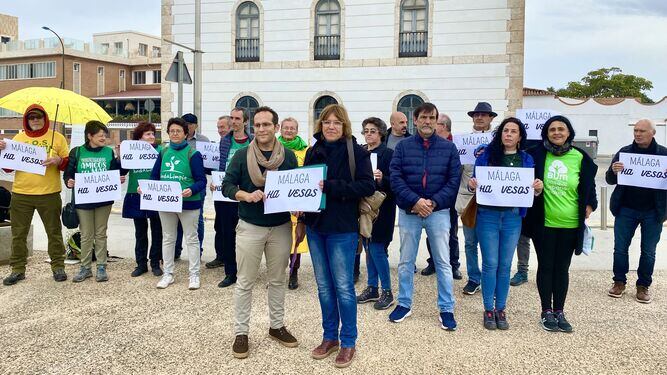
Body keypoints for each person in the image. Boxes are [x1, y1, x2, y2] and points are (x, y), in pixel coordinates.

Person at [295, 104, 374, 368]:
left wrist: (330, 186)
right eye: (326, 122)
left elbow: (366, 185)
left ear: (344, 126)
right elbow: (305, 186)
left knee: (343, 287)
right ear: (320, 125)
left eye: (336, 123)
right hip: (317, 227)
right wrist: (301, 213)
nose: (331, 126)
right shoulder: (312, 151)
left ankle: (349, 341)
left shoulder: (357, 152)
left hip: (342, 228)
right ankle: (329, 337)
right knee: (324, 287)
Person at [222, 106, 299, 359]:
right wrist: (245, 194)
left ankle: (276, 326)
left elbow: (294, 188)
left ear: (276, 128)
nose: (262, 129)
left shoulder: (287, 157)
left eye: (266, 125)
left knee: (277, 280)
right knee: (245, 282)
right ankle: (241, 332)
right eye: (257, 125)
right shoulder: (243, 155)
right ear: (252, 127)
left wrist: (299, 204)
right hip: (250, 226)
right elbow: (227, 186)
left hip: (280, 227)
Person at [388, 102, 461, 331]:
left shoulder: (449, 148)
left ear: (437, 121)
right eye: (423, 117)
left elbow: (453, 180)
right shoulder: (403, 147)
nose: (427, 122)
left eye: (432, 118)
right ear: (415, 120)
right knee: (405, 261)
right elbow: (396, 176)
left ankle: (446, 308)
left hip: (437, 211)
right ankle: (404, 303)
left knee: (443, 261)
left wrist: (433, 202)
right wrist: (415, 201)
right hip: (410, 210)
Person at [523, 115, 597, 333]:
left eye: (561, 129)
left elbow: (589, 187)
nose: (556, 133)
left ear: (568, 133)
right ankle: (546, 311)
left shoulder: (580, 157)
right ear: (546, 133)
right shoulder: (535, 155)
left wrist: (591, 206)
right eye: (552, 129)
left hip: (571, 223)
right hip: (543, 222)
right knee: (546, 266)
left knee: (562, 268)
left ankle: (560, 311)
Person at [468, 118, 543, 330]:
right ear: (500, 134)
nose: (508, 134)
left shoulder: (527, 159)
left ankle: (501, 307)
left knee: (505, 264)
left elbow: (530, 189)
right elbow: (473, 182)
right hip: (488, 216)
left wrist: (537, 188)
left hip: (512, 217)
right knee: (490, 263)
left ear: (520, 137)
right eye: (505, 130)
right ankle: (488, 309)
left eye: (513, 131)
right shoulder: (486, 156)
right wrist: (472, 184)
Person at [1, 105, 70, 286]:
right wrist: (2, 150)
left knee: (53, 232)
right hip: (21, 194)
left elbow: (68, 164)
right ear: (26, 120)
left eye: (39, 117)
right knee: (18, 234)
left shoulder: (58, 138)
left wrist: (58, 160)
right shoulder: (18, 138)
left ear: (45, 118)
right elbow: (8, 167)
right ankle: (17, 269)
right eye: (31, 117)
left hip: (49, 193)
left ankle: (58, 266)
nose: (35, 120)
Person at [606, 119, 666, 304]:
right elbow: (609, 179)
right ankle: (619, 282)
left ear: (652, 133)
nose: (638, 134)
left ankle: (643, 285)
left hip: (653, 211)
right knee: (620, 249)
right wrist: (614, 171)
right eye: (636, 130)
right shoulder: (625, 152)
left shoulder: (664, 154)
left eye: (642, 131)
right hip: (626, 209)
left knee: (648, 251)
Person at [147, 117, 207, 290]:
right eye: (172, 130)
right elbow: (154, 177)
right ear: (168, 133)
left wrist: (192, 190)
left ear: (185, 133)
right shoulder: (163, 153)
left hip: (189, 203)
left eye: (178, 131)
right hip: (167, 203)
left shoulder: (193, 154)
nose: (175, 133)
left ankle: (194, 275)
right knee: (168, 238)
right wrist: (147, 189)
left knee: (191, 238)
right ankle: (168, 274)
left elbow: (201, 180)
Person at [64, 121, 124, 283]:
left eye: (105, 135)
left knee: (101, 233)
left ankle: (101, 266)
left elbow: (114, 173)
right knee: (86, 235)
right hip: (84, 200)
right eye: (100, 135)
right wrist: (69, 180)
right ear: (89, 136)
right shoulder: (77, 152)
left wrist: (119, 178)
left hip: (104, 199)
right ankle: (85, 268)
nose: (104, 138)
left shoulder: (108, 153)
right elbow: (68, 173)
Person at [355, 117, 396, 310]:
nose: (368, 134)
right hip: (364, 206)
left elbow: (396, 181)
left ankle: (387, 291)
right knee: (369, 248)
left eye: (372, 130)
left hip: (383, 207)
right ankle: (372, 287)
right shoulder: (361, 152)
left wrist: (382, 178)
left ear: (381, 133)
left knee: (378, 249)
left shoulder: (388, 154)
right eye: (366, 130)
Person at [456, 102, 496, 295]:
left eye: (484, 115)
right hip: (469, 200)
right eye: (476, 114)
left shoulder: (498, 141)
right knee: (470, 243)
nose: (479, 117)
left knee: (490, 243)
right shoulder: (464, 141)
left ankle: (491, 278)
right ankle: (473, 278)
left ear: (491, 118)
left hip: (492, 200)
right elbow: (458, 171)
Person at [214, 108, 253, 288]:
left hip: (246, 195)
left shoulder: (252, 142)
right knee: (227, 234)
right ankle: (230, 272)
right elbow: (221, 166)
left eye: (238, 118)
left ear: (245, 121)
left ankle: (247, 271)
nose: (234, 121)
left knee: (247, 237)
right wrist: (215, 181)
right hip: (226, 195)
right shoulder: (225, 141)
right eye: (232, 118)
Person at [422, 113, 462, 280]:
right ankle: (433, 261)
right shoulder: (430, 144)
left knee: (451, 232)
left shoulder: (458, 144)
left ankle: (453, 264)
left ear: (443, 126)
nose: (430, 124)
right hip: (432, 197)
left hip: (450, 196)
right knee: (431, 232)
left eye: (435, 122)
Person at [121, 121, 163, 277]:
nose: (151, 136)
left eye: (153, 133)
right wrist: (121, 156)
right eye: (148, 134)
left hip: (155, 194)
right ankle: (141, 264)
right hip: (135, 193)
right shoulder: (132, 150)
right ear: (139, 137)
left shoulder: (161, 151)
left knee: (157, 230)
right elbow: (122, 170)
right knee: (140, 232)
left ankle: (155, 262)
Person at [277, 117, 309, 290]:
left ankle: (293, 273)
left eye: (292, 128)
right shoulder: (274, 147)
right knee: (277, 238)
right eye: (286, 128)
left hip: (297, 199)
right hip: (279, 199)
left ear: (297, 130)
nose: (289, 131)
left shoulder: (305, 150)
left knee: (296, 238)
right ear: (280, 129)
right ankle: (276, 274)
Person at [174, 113, 209, 259]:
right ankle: (176, 251)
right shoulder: (175, 141)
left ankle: (197, 252)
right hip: (176, 186)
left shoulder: (204, 141)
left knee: (197, 219)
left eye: (190, 123)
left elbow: (209, 165)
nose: (187, 126)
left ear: (196, 125)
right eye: (184, 123)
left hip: (196, 187)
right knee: (176, 219)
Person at [205, 115, 232, 270]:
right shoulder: (220, 144)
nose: (219, 130)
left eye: (222, 127)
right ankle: (220, 256)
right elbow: (216, 167)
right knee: (219, 225)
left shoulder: (236, 143)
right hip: (219, 190)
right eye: (218, 127)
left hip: (234, 190)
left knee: (232, 227)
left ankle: (231, 257)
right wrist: (214, 179)